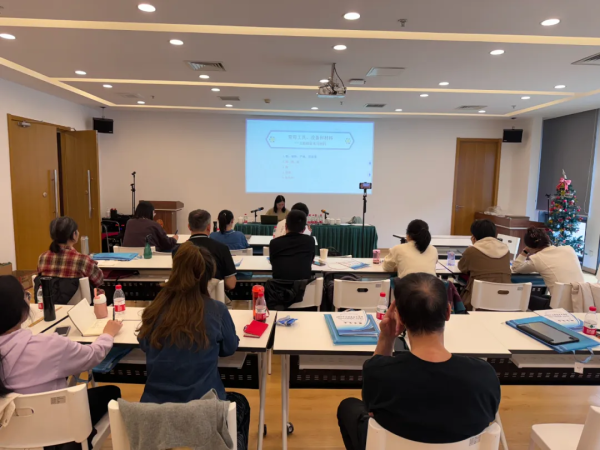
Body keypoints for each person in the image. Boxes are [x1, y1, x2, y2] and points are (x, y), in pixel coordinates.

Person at [337, 273, 500, 450]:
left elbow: (371, 406)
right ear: (448, 312)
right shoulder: (484, 375)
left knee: (348, 406)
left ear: (400, 317)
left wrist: (386, 338)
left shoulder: (380, 373)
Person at [138, 242, 250, 450]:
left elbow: (144, 344)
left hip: (156, 411)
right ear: (207, 277)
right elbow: (229, 348)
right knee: (241, 403)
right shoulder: (216, 310)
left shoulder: (155, 308)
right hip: (203, 410)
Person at [0, 275, 123, 449]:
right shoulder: (49, 346)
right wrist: (107, 334)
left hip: (9, 435)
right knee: (111, 392)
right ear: (20, 309)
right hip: (56, 432)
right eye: (26, 296)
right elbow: (92, 355)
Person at [513, 227, 584, 304]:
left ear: (530, 247)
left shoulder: (538, 258)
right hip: (582, 300)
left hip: (561, 306)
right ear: (548, 239)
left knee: (525, 297)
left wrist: (525, 251)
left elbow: (516, 267)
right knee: (543, 296)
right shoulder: (569, 249)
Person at [458, 219, 512, 309]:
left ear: (474, 236)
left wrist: (474, 244)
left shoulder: (472, 251)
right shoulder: (506, 250)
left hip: (478, 301)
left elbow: (462, 267)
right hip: (504, 300)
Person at [38, 216, 104, 287]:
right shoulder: (82, 260)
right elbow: (99, 280)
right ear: (74, 234)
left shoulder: (42, 258)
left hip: (50, 294)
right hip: (79, 295)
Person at [180, 209, 237, 290]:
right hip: (214, 296)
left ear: (189, 227)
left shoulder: (178, 250)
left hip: (187, 296)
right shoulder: (222, 248)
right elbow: (231, 284)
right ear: (209, 227)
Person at [269, 210, 315, 280]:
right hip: (303, 286)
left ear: (285, 226)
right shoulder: (310, 241)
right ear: (304, 229)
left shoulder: (274, 243)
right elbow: (310, 260)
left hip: (278, 285)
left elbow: (273, 263)